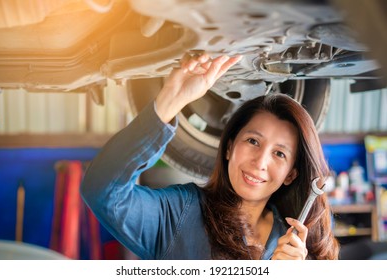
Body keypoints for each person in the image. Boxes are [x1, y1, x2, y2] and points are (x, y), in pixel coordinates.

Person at [81, 52, 340, 260]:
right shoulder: (180, 214)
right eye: (252, 141)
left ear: (290, 174)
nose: (260, 162)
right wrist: (169, 102)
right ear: (228, 147)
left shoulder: (296, 250)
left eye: (279, 154)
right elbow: (103, 190)